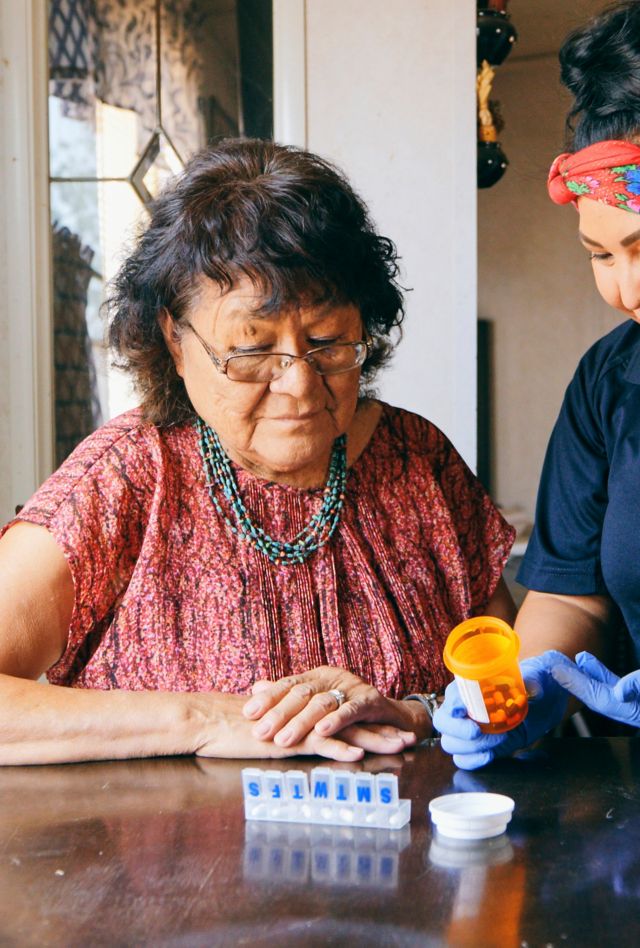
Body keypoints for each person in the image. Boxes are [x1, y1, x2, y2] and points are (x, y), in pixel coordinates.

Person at [0, 138, 516, 765]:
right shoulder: (127, 477)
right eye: (251, 350)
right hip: (167, 862)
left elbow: (507, 685)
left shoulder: (418, 461)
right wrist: (204, 717)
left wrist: (417, 712)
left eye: (328, 340)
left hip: (405, 855)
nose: (298, 384)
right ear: (176, 341)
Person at [434, 0, 640, 769]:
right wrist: (526, 686)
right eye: (600, 254)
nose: (625, 288)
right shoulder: (608, 384)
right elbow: (568, 593)